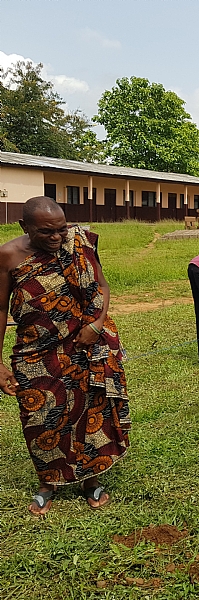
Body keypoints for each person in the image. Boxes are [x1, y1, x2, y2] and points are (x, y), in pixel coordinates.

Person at [0, 197, 129, 516]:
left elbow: (101, 284)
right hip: (37, 351)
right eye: (47, 232)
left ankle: (90, 480)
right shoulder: (8, 255)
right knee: (41, 415)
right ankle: (48, 483)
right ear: (24, 227)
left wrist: (96, 324)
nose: (57, 238)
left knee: (89, 411)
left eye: (60, 229)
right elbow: (0, 307)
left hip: (86, 345)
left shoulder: (80, 240)